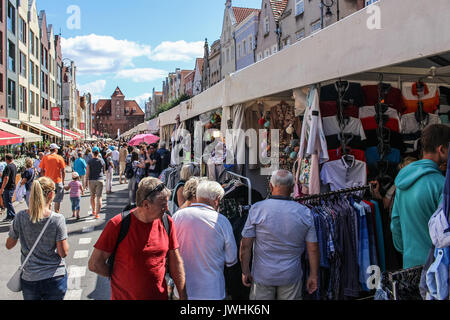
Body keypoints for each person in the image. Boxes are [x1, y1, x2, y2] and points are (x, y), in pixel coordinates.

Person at [88, 177, 188, 300]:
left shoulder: (167, 222)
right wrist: (120, 276)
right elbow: (94, 264)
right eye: (162, 204)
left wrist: (183, 296)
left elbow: (176, 262)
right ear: (146, 204)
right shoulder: (118, 224)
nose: (167, 208)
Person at [240, 170, 319, 300]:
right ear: (293, 187)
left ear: (271, 186)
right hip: (290, 275)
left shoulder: (257, 209)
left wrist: (245, 271)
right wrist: (314, 275)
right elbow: (313, 248)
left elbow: (245, 246)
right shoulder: (304, 212)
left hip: (262, 275)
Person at [391, 124, 450, 269]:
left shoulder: (403, 181)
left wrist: (408, 250)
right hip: (438, 268)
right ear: (441, 149)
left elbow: (395, 224)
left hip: (410, 264)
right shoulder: (442, 185)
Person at [6, 177, 69, 300]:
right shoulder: (57, 219)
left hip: (30, 278)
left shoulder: (20, 217)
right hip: (54, 276)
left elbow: (9, 245)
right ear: (51, 194)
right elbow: (63, 252)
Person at [173, 180, 237, 300]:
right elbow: (231, 259)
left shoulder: (178, 216)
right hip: (212, 291)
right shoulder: (222, 221)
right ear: (217, 199)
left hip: (183, 291)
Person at [39, 144, 66, 214]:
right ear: (55, 150)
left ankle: (49, 213)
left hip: (48, 182)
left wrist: (43, 179)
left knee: (48, 199)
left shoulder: (45, 158)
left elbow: (41, 170)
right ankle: (57, 212)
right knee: (57, 200)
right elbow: (63, 170)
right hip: (57, 181)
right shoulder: (59, 157)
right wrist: (63, 181)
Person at [86, 147, 105, 219]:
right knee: (99, 197)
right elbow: (103, 170)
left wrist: (85, 182)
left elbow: (87, 172)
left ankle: (93, 210)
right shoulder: (101, 160)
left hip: (91, 180)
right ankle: (97, 214)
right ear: (98, 153)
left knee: (92, 196)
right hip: (100, 179)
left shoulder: (89, 161)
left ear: (92, 153)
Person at [1, 154, 18, 222]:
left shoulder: (8, 166)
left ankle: (14, 216)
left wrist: (2, 187)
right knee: (8, 201)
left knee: (8, 202)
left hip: (8, 187)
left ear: (6, 159)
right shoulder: (13, 165)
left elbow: (6, 178)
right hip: (12, 186)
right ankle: (9, 216)